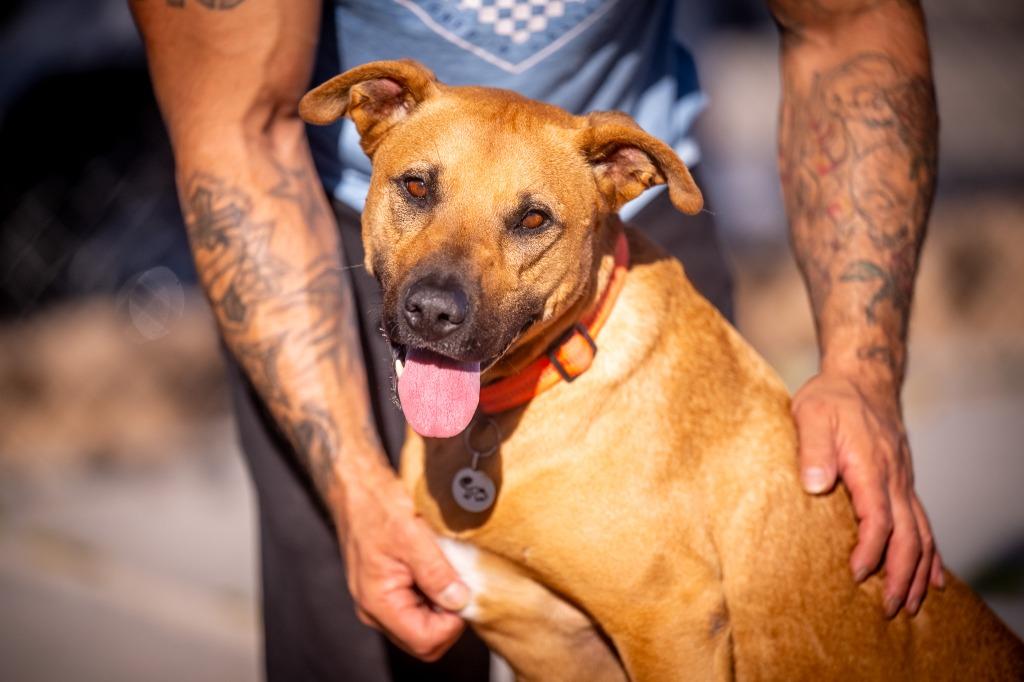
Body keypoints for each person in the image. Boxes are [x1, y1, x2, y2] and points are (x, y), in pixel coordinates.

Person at [131, 0, 943, 679]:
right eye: (418, 189)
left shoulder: (612, 193)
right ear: (373, 111)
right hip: (307, 226)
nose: (443, 295)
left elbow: (852, 22)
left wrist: (863, 371)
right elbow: (232, 129)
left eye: (524, 223)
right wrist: (349, 484)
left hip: (610, 227)